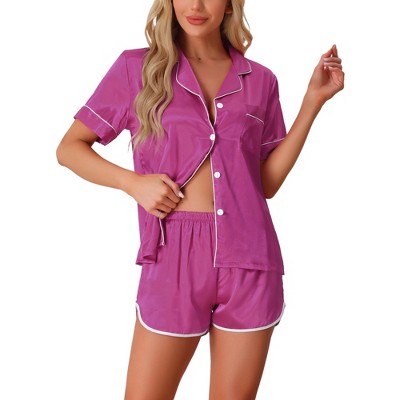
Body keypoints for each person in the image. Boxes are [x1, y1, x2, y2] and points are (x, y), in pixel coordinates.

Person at [56, 0, 344, 398]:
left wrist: (312, 103)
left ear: (229, 5)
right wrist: (133, 183)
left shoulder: (260, 80)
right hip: (173, 253)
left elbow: (266, 183)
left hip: (250, 257)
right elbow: (69, 148)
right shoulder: (136, 68)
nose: (195, 5)